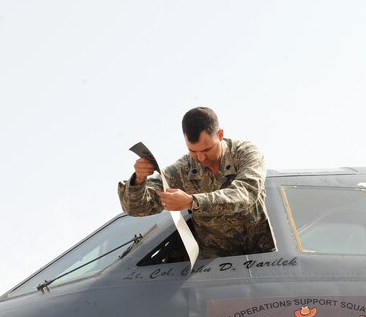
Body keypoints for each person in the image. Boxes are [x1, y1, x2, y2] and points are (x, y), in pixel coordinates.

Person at [117, 107, 273, 259]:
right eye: (193, 151)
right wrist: (138, 180)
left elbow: (246, 193)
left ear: (220, 134)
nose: (201, 158)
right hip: (218, 268)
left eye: (206, 150)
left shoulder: (246, 153)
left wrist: (192, 202)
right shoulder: (181, 171)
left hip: (263, 259)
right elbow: (136, 208)